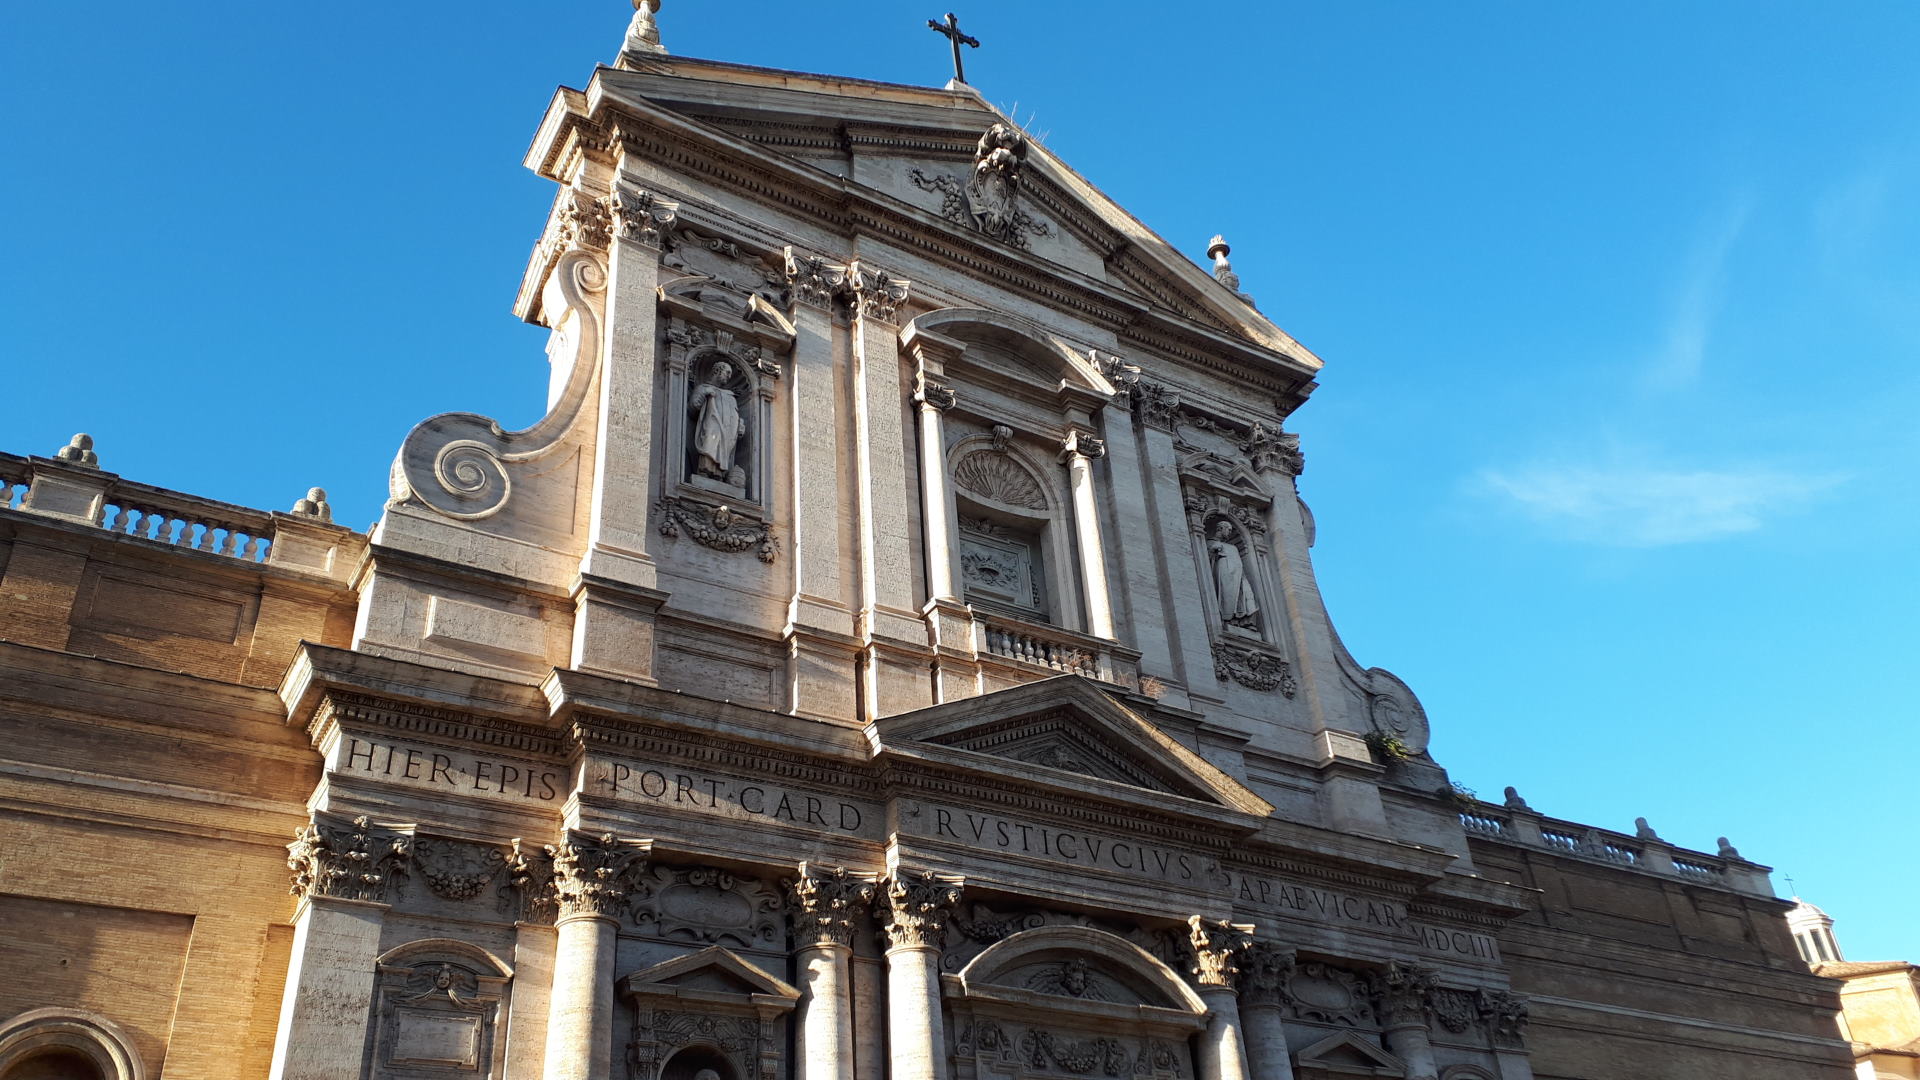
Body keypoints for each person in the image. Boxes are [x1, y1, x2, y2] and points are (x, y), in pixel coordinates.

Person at [690, 361, 743, 483]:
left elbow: (735, 415)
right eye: (727, 372)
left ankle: (719, 475)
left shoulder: (730, 396)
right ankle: (704, 471)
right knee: (709, 444)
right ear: (717, 371)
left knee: (723, 452)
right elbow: (693, 409)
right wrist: (704, 394)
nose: (729, 377)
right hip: (711, 427)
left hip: (728, 434)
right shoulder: (703, 388)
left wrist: (740, 425)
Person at [1208, 519, 1259, 628]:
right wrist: (1213, 551)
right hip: (1224, 575)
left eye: (1232, 530)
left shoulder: (1233, 547)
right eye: (1228, 530)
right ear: (1221, 529)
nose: (1230, 532)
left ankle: (1245, 621)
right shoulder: (1211, 543)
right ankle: (1229, 619)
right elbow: (1207, 559)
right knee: (1227, 596)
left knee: (1248, 595)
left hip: (1239, 575)